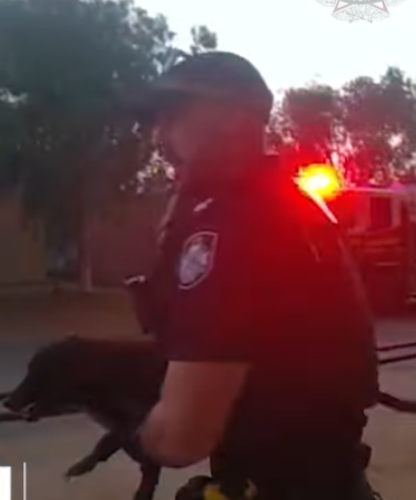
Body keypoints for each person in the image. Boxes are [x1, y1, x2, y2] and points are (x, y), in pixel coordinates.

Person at [126, 51, 381, 500]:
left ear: (231, 117)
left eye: (172, 116)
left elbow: (182, 438)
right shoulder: (290, 204)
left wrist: (133, 427)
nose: (159, 135)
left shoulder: (232, 225)